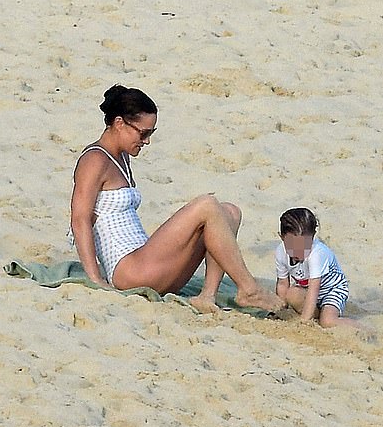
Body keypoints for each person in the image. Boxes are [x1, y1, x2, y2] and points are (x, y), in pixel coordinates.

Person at [68, 84, 284, 313]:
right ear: (119, 123)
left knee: (229, 212)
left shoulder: (121, 157)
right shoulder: (94, 160)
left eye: (151, 133)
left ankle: (207, 296)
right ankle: (248, 289)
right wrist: (95, 279)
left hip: (148, 262)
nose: (147, 141)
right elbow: (79, 220)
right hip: (128, 270)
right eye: (143, 133)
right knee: (207, 205)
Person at [275, 207, 358, 328]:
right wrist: (280, 310)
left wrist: (304, 322)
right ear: (282, 238)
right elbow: (282, 284)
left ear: (313, 238)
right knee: (291, 294)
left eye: (304, 247)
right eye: (293, 247)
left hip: (331, 290)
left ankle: (363, 329)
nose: (299, 252)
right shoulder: (280, 252)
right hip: (308, 290)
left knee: (327, 321)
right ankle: (318, 313)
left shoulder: (317, 253)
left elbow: (314, 289)